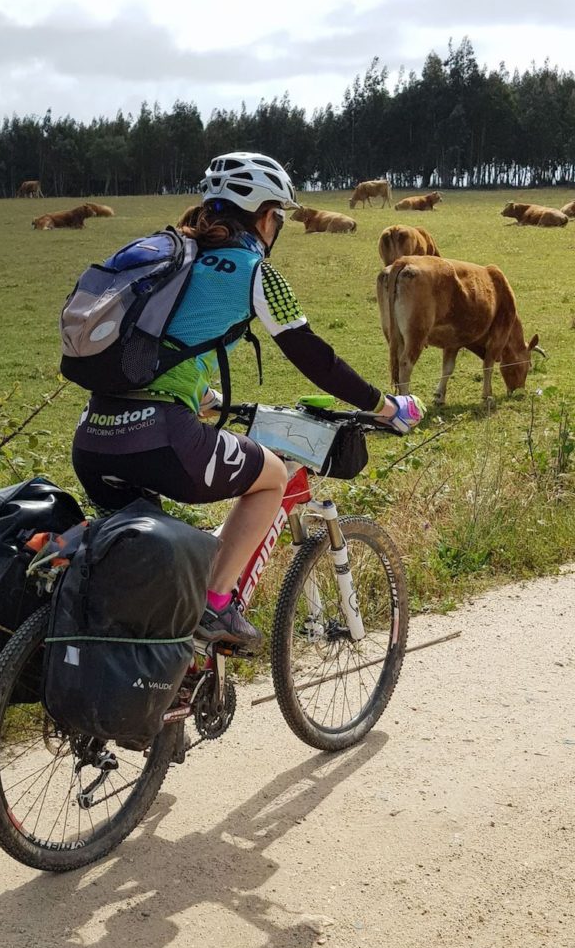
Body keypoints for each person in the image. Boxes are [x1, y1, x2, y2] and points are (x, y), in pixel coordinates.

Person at [71, 152, 424, 650]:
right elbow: (313, 356)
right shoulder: (253, 269)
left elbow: (157, 348)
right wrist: (384, 405)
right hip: (161, 440)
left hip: (93, 438)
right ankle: (216, 604)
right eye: (279, 215)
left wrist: (206, 398)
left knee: (150, 570)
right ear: (263, 215)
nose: (278, 225)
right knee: (273, 477)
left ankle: (160, 694)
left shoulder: (169, 253)